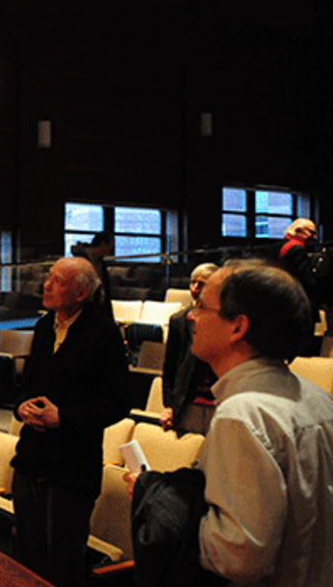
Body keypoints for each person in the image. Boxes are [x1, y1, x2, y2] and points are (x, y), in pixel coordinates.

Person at [185, 261, 333, 585]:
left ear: (237, 327)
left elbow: (239, 558)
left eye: (201, 307)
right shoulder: (320, 398)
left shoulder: (241, 415)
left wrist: (165, 508)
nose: (191, 316)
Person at [11, 257, 131, 586]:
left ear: (81, 293)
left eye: (58, 281)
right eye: (48, 277)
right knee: (27, 558)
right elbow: (28, 385)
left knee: (62, 565)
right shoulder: (43, 326)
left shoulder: (103, 333)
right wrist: (22, 407)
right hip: (31, 459)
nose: (47, 285)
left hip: (71, 469)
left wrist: (62, 418)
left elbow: (119, 403)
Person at [159, 263, 219, 434]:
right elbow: (170, 368)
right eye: (193, 282)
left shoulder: (226, 320)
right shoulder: (179, 320)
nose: (195, 288)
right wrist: (169, 405)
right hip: (188, 403)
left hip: (218, 402)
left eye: (202, 283)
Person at [275, 218, 321, 354]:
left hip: (278, 300)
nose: (314, 237)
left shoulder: (276, 246)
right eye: (312, 232)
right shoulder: (297, 249)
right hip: (297, 302)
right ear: (299, 231)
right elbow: (306, 281)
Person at [71, 232, 115, 321]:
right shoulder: (81, 262)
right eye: (110, 247)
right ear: (103, 244)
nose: (110, 251)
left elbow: (105, 290)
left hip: (99, 308)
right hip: (84, 309)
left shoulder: (101, 263)